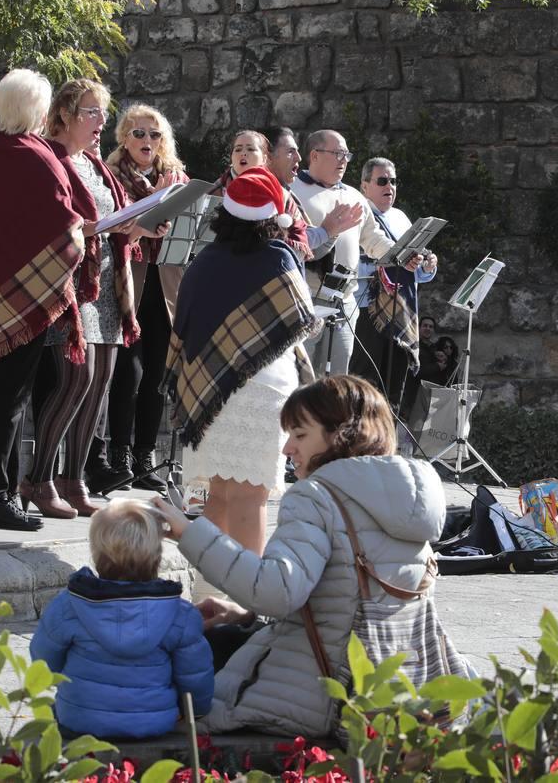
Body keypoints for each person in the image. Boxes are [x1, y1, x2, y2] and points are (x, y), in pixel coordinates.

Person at [152, 375, 454, 738]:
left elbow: (277, 592)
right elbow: (344, 598)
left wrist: (190, 532)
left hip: (317, 698)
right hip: (390, 691)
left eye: (300, 435)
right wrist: (246, 615)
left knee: (186, 654)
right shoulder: (407, 499)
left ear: (342, 434)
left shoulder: (315, 496)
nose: (286, 449)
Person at [0, 69, 88, 531]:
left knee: (10, 394)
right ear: (39, 111)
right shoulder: (40, 158)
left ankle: (5, 491)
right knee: (14, 397)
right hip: (30, 294)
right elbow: (66, 228)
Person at [166, 166, 318, 554]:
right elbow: (300, 322)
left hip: (207, 392)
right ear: (276, 215)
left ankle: (207, 595)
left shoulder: (203, 263)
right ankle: (249, 599)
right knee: (251, 499)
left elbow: (182, 330)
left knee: (212, 496)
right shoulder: (280, 259)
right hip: (266, 391)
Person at [28, 79, 145, 518]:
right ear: (65, 115)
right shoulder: (52, 158)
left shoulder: (95, 163)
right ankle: (38, 477)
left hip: (109, 283)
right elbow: (55, 219)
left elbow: (108, 217)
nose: (101, 122)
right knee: (74, 381)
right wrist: (100, 228)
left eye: (103, 113)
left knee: (100, 384)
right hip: (71, 283)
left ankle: (73, 480)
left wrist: (137, 225)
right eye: (91, 112)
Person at [29, 499, 213, 739]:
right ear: (157, 555)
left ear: (97, 553)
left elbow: (44, 660)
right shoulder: (180, 614)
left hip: (79, 719)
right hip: (154, 721)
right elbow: (195, 676)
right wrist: (196, 712)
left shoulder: (70, 605)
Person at [100, 104, 189, 494]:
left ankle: (145, 457)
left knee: (156, 375)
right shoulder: (111, 175)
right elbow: (104, 231)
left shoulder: (177, 180)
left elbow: (191, 231)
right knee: (128, 372)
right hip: (126, 280)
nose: (147, 141)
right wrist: (137, 230)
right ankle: (117, 454)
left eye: (154, 135)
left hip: (166, 282)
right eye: (138, 134)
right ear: (123, 138)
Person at [291, 130, 423, 376]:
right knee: (301, 379)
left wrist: (403, 256)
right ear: (315, 155)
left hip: (344, 303)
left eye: (346, 155)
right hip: (304, 300)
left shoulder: (353, 196)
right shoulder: (292, 189)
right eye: (338, 153)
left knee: (339, 380)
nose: (344, 160)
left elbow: (373, 239)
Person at [350, 158, 438, 414]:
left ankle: (388, 444)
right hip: (369, 311)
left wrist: (427, 266)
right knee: (364, 384)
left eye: (393, 181)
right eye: (382, 181)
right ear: (365, 186)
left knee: (395, 387)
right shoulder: (359, 215)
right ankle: (360, 442)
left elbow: (412, 273)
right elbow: (356, 262)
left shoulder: (401, 217)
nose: (390, 186)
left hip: (402, 311)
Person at [216, 129, 312, 260]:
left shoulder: (283, 196)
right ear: (232, 157)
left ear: (265, 158)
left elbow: (299, 238)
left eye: (251, 149)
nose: (243, 153)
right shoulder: (214, 190)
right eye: (237, 149)